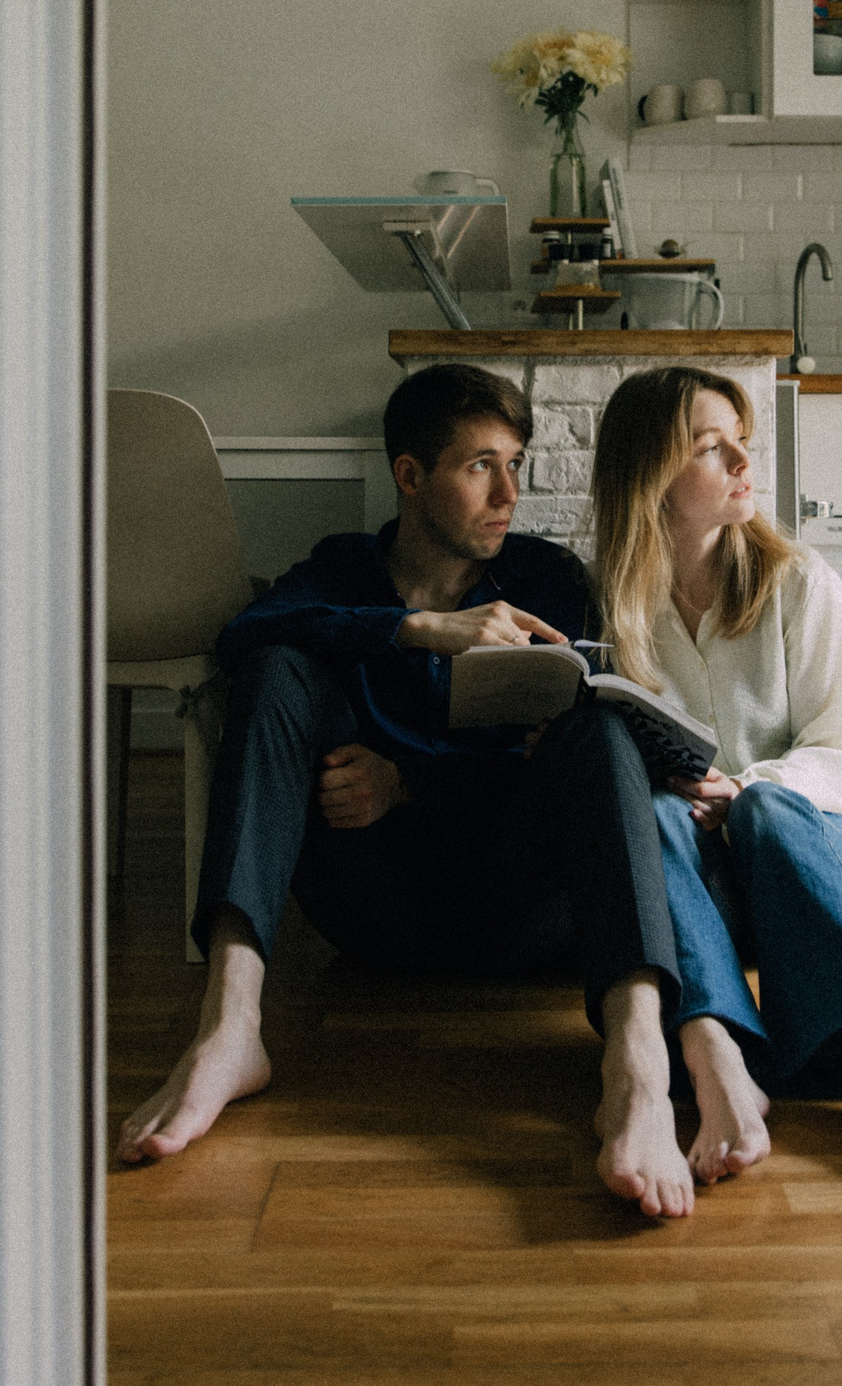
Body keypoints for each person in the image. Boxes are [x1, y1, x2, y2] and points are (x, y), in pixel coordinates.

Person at [114, 363, 700, 1218]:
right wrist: (413, 629)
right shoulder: (343, 569)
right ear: (410, 475)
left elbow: (561, 769)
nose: (508, 492)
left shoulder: (548, 581)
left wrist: (410, 783)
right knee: (275, 669)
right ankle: (229, 1027)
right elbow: (243, 636)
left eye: (516, 464)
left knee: (599, 723)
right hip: (375, 909)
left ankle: (638, 1063)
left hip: (520, 908)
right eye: (479, 467)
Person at [586, 365, 842, 1189]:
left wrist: (753, 786)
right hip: (695, 888)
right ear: (650, 475)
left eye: (742, 444)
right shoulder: (611, 607)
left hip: (810, 855)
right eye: (710, 448)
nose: (740, 463)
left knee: (767, 807)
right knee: (651, 815)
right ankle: (717, 1056)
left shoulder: (798, 583)